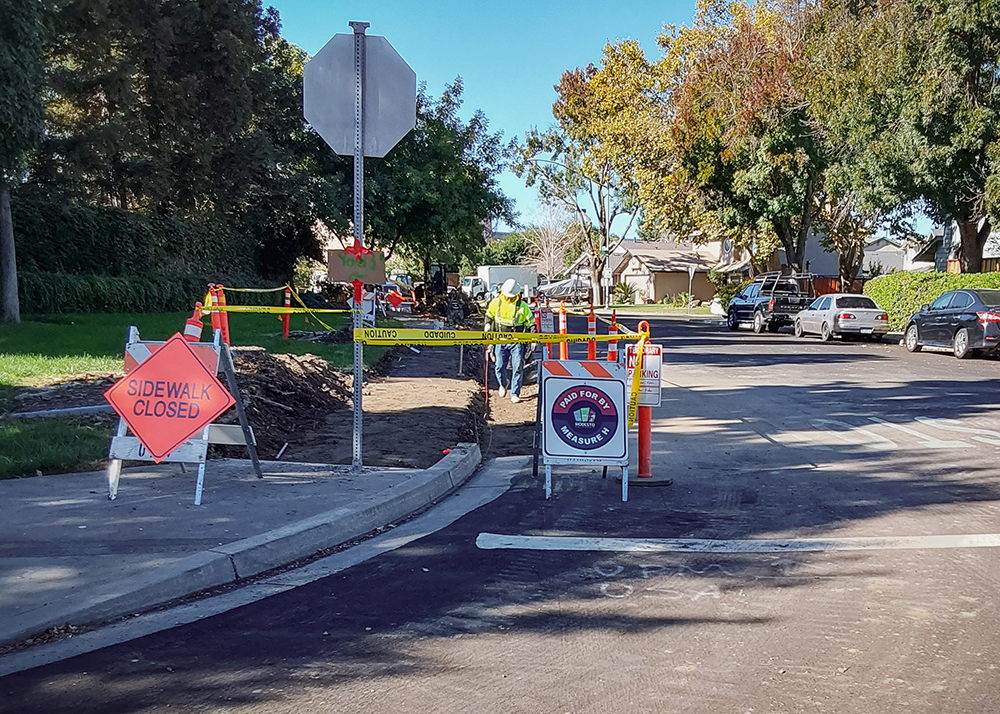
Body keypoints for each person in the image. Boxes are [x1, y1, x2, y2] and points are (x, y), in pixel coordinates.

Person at [485, 278, 533, 403]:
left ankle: (515, 393)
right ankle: (503, 383)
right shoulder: (496, 303)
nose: (509, 299)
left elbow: (531, 323)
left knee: (518, 367)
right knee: (499, 366)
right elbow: (489, 317)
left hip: (517, 341)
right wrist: (487, 330)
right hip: (500, 340)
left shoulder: (522, 306)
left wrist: (533, 339)